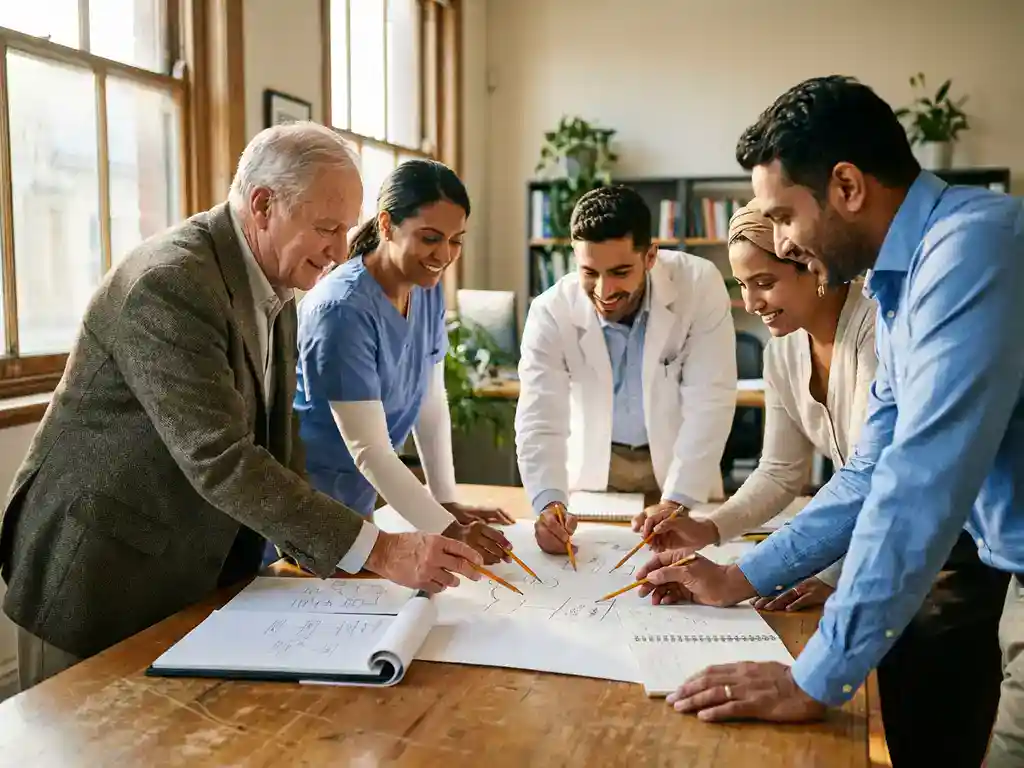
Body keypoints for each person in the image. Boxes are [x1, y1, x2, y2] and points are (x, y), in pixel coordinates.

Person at [0, 122, 484, 692]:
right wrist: (378, 550)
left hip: (196, 569)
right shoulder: (172, 282)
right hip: (101, 576)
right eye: (326, 228)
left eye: (345, 229)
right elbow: (223, 457)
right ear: (262, 205)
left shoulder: (275, 279)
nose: (338, 249)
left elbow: (281, 444)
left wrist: (334, 552)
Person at [636, 75, 1020, 768]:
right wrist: (739, 576)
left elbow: (920, 484)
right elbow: (872, 469)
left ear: (847, 187)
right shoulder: (905, 279)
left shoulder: (969, 252)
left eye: (784, 216)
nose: (783, 239)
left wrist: (816, 677)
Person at [639, 201, 876, 608]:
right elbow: (780, 472)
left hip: (946, 555)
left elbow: (873, 484)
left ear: (814, 266)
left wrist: (836, 574)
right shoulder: (782, 351)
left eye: (764, 282)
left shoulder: (877, 331)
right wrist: (709, 529)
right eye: (742, 285)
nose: (751, 304)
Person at [294, 159, 514, 566]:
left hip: (364, 503)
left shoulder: (425, 287)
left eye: (456, 240)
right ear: (386, 225)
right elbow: (369, 449)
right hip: (310, 511)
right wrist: (449, 528)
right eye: (430, 238)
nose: (444, 255)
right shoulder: (341, 310)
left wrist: (445, 500)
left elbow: (429, 400)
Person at [515, 184, 737, 556]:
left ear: (650, 256)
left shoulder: (698, 284)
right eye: (590, 272)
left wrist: (678, 500)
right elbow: (540, 418)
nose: (604, 289)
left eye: (620, 271)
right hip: (598, 475)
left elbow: (710, 399)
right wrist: (548, 504)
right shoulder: (550, 310)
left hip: (678, 466)